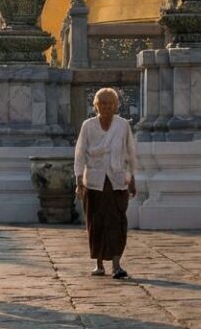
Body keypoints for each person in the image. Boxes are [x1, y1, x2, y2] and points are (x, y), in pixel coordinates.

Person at [74, 87, 138, 280]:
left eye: (110, 104)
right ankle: (99, 263)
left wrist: (132, 178)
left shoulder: (122, 126)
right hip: (94, 180)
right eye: (102, 103)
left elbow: (130, 151)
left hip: (117, 178)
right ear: (96, 106)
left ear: (116, 106)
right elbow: (80, 152)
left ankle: (117, 265)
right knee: (96, 222)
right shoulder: (88, 125)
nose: (106, 107)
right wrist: (78, 179)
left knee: (117, 222)